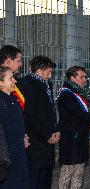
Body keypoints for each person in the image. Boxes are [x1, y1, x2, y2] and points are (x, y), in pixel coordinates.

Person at [17, 56, 60, 189]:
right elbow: (30, 115)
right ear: (40, 71)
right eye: (48, 72)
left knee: (46, 177)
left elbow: (50, 109)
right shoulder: (27, 84)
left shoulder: (47, 84)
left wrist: (54, 130)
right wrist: (46, 135)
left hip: (48, 138)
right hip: (36, 139)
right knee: (35, 178)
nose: (51, 75)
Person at [0, 45, 26, 182]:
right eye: (19, 60)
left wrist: (23, 135)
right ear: (8, 61)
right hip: (7, 155)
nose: (21, 64)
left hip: (17, 148)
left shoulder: (11, 91)